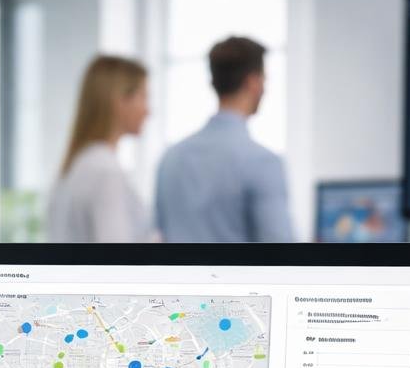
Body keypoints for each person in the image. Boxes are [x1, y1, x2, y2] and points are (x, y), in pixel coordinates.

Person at [155, 36, 293, 243]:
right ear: (253, 83)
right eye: (264, 79)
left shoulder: (170, 158)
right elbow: (281, 251)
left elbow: (160, 235)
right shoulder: (263, 162)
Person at [47, 55, 153, 243]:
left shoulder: (78, 164)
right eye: (143, 96)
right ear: (119, 100)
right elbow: (117, 258)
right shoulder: (105, 171)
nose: (148, 110)